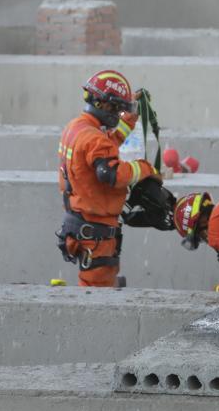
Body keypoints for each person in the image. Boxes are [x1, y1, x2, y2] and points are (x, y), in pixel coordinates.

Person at [56, 70, 158, 287]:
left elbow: (103, 145)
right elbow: (111, 174)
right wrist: (144, 168)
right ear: (105, 105)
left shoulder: (76, 128)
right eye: (118, 108)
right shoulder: (94, 138)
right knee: (96, 294)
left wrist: (129, 120)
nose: (119, 114)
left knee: (93, 285)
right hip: (96, 231)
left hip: (79, 220)